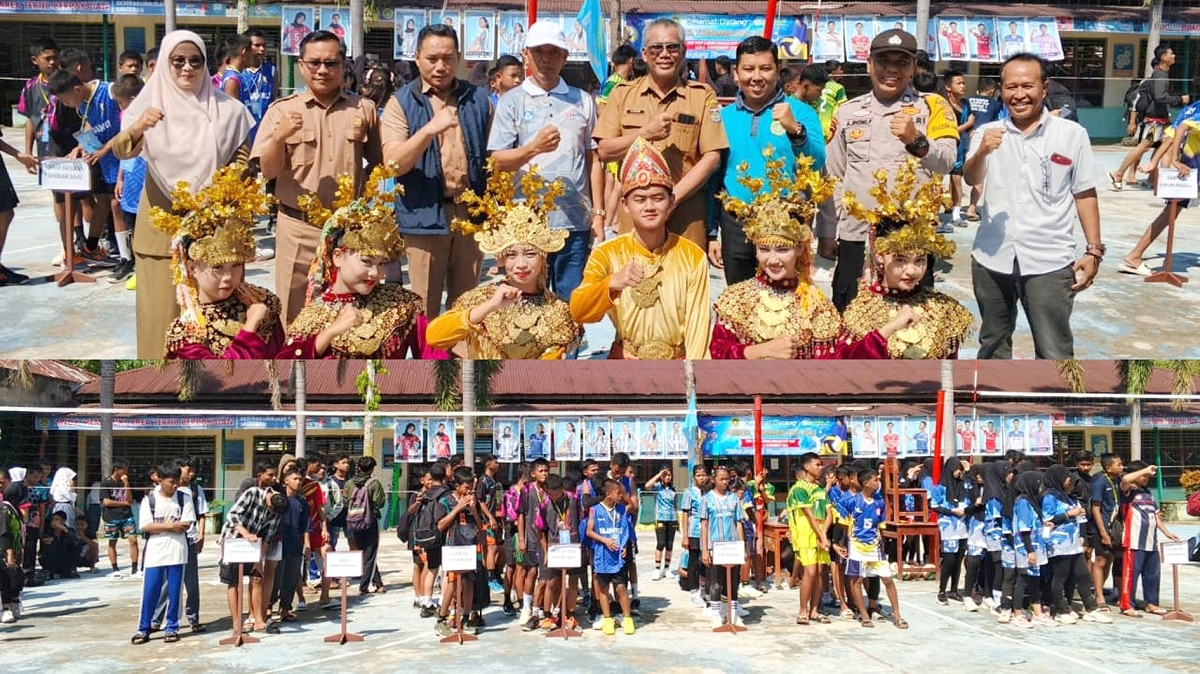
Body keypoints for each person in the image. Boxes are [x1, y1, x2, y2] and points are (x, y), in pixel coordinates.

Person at [113, 30, 254, 358]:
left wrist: (213, 197)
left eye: (195, 61)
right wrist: (138, 127)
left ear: (206, 64)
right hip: (159, 237)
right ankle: (157, 392)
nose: (187, 68)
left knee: (212, 327)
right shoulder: (147, 106)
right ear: (164, 63)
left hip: (213, 236)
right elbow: (121, 151)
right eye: (178, 61)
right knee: (159, 325)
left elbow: (242, 164)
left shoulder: (228, 111)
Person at [965, 53, 1102, 360]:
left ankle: (1051, 405)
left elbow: (1085, 193)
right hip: (991, 258)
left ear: (1044, 87)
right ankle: (994, 405)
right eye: (1011, 87)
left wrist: (1094, 251)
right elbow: (971, 177)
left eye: (1027, 85)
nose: (1019, 95)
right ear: (1001, 89)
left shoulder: (1071, 135)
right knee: (992, 345)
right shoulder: (987, 133)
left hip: (1049, 260)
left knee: (1054, 350)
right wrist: (982, 152)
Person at [815, 30, 959, 313]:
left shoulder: (933, 106)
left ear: (914, 67)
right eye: (883, 61)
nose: (892, 69)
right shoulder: (846, 112)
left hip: (911, 244)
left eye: (902, 62)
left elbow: (947, 162)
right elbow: (832, 176)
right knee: (851, 318)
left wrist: (916, 141)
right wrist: (827, 230)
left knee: (912, 328)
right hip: (857, 238)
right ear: (869, 64)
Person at [254, 30, 382, 326]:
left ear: (343, 65)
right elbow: (267, 171)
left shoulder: (364, 110)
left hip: (347, 230)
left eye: (331, 63)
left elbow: (379, 165)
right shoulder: (282, 112)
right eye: (314, 63)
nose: (322, 70)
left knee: (348, 310)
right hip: (297, 227)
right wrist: (279, 138)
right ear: (301, 65)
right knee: (292, 310)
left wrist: (365, 206)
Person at [487, 21, 604, 304]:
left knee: (571, 300)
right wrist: (532, 149)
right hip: (527, 221)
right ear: (526, 54)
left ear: (565, 56)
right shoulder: (511, 101)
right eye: (540, 51)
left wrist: (598, 214)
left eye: (554, 52)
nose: (547, 59)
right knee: (526, 301)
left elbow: (592, 159)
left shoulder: (583, 101)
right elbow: (497, 159)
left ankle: (568, 350)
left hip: (574, 221)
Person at [383, 24, 491, 320]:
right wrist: (429, 130)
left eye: (448, 58)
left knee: (467, 308)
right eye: (432, 58)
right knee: (424, 309)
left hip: (470, 216)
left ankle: (458, 367)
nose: (441, 66)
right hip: (424, 216)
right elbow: (392, 163)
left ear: (458, 57)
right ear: (416, 57)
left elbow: (492, 158)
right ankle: (424, 366)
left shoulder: (478, 99)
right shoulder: (401, 102)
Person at [594, 17, 728, 250]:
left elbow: (712, 157)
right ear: (644, 54)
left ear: (683, 52)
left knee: (685, 284)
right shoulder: (622, 94)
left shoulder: (702, 95)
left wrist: (670, 199)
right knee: (635, 283)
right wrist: (644, 134)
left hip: (685, 214)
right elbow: (605, 151)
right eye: (657, 47)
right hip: (636, 218)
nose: (664, 54)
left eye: (672, 47)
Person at [571, 138, 711, 359]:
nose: (649, 207)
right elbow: (578, 310)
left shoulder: (692, 256)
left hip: (676, 364)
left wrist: (693, 380)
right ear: (625, 205)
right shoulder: (607, 253)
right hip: (626, 362)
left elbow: (698, 325)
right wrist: (612, 284)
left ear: (671, 201)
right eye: (640, 199)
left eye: (657, 198)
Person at [427, 164, 583, 358]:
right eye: (511, 255)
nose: (521, 264)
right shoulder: (479, 298)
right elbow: (434, 337)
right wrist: (490, 306)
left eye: (530, 254)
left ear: (543, 256)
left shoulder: (558, 310)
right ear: (500, 259)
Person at [282, 166, 434, 358]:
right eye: (366, 261)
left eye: (382, 264)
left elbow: (434, 358)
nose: (375, 273)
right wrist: (330, 333)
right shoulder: (314, 315)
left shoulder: (403, 303)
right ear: (338, 257)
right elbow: (284, 367)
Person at [712, 37, 825, 286]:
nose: (757, 76)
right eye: (749, 69)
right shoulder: (724, 117)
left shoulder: (801, 112)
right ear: (736, 73)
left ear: (777, 70)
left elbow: (816, 161)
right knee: (740, 299)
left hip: (785, 221)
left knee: (784, 302)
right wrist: (712, 232)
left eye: (765, 68)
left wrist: (796, 130)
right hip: (736, 222)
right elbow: (714, 178)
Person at [710, 149, 840, 359]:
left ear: (799, 248)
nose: (772, 260)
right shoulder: (736, 298)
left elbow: (829, 365)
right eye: (764, 249)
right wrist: (758, 352)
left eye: (782, 249)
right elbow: (718, 353)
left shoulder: (817, 305)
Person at [839, 160, 972, 358]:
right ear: (879, 255)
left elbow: (949, 372)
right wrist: (888, 329)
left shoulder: (944, 309)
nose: (911, 271)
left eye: (920, 260)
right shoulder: (859, 311)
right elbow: (847, 367)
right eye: (900, 260)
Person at [151, 165, 284, 358]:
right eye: (218, 267)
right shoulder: (187, 331)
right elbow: (219, 380)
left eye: (236, 265)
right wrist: (250, 327)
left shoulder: (263, 302)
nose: (228, 277)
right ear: (192, 267)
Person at [1120, 83, 1200, 276]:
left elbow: (1169, 137)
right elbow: (1180, 130)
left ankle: (1135, 256)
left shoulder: (1191, 108)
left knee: (1169, 214)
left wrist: (1153, 163)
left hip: (1188, 168)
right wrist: (1172, 160)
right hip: (1190, 169)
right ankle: (1134, 256)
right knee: (1169, 214)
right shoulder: (1195, 111)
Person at [48, 69, 123, 266]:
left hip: (125, 159)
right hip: (107, 163)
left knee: (121, 207)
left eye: (65, 100)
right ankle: (93, 248)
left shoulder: (110, 91)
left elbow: (130, 124)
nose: (65, 105)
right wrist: (80, 147)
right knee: (110, 203)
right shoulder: (82, 106)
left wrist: (105, 149)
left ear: (77, 88)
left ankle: (129, 257)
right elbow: (90, 128)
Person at [832, 468, 907, 629]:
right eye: (875, 479)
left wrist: (882, 541)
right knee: (857, 579)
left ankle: (897, 615)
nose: (878, 482)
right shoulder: (851, 501)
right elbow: (840, 522)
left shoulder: (879, 502)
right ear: (866, 483)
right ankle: (864, 614)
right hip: (857, 546)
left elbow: (881, 525)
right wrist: (838, 543)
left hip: (875, 546)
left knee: (887, 579)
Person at [132, 463, 196, 645]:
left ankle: (172, 627)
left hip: (177, 550)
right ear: (160, 480)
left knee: (175, 591)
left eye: (177, 481)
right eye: (170, 482)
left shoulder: (184, 498)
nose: (174, 485)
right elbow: (145, 525)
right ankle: (144, 629)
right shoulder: (149, 500)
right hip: (155, 551)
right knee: (150, 590)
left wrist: (162, 527)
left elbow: (186, 523)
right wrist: (170, 526)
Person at [219, 461, 284, 636]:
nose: (270, 511)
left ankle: (259, 620)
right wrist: (245, 533)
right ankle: (236, 624)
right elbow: (232, 515)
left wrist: (259, 559)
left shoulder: (278, 510)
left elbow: (269, 537)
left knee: (257, 578)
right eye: (269, 507)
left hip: (253, 546)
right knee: (233, 582)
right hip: (233, 540)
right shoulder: (252, 493)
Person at [1041, 464, 1111, 624]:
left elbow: (1080, 518)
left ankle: (1091, 609)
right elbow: (1047, 519)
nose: (1069, 481)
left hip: (1073, 543)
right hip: (1058, 543)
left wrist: (1082, 536)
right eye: (1067, 478)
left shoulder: (1068, 495)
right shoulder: (1049, 497)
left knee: (1083, 575)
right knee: (1060, 577)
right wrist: (1068, 514)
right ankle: (1060, 609)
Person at [1118, 461, 1180, 617]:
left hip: (1151, 542)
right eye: (1143, 475)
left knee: (1152, 575)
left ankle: (1151, 603)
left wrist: (1166, 532)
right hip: (1133, 542)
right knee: (1131, 575)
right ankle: (1127, 605)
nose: (1146, 478)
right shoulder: (1128, 492)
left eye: (1147, 476)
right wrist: (1145, 469)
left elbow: (1156, 516)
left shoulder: (1148, 493)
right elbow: (1125, 480)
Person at [431, 466, 486, 636]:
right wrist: (458, 508)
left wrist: (474, 509)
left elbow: (479, 525)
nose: (469, 491)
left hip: (470, 545)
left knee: (469, 582)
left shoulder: (472, 500)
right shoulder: (445, 502)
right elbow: (440, 525)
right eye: (466, 487)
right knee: (454, 583)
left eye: (471, 488)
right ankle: (441, 618)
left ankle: (467, 617)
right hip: (453, 546)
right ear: (457, 486)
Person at [587, 478, 635, 635]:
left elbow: (625, 530)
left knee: (621, 587)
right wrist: (605, 541)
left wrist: (624, 546)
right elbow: (589, 531)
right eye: (618, 493)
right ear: (608, 494)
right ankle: (607, 619)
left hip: (618, 557)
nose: (620, 496)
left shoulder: (621, 510)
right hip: (602, 556)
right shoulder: (595, 510)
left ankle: (627, 619)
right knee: (603, 589)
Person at [786, 453, 829, 625]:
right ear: (806, 467)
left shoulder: (819, 489)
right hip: (805, 535)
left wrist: (824, 534)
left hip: (819, 534)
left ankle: (814, 610)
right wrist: (821, 535)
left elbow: (826, 513)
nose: (820, 468)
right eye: (817, 465)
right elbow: (809, 515)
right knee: (810, 572)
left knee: (819, 573)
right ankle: (802, 610)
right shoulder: (799, 489)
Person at [700, 466, 745, 628]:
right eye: (721, 479)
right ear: (714, 480)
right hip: (715, 546)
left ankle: (732, 614)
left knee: (733, 581)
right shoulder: (707, 499)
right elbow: (704, 525)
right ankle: (716, 614)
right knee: (716, 582)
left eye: (727, 479)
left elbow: (738, 523)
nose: (725, 482)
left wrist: (742, 546)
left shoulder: (734, 499)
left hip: (732, 546)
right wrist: (705, 549)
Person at [344, 456, 386, 595]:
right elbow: (379, 502)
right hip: (369, 521)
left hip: (353, 522)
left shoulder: (349, 483)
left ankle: (378, 583)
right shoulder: (374, 483)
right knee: (370, 554)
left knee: (363, 553)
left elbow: (345, 501)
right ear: (372, 468)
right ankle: (364, 586)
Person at [929, 456, 969, 604]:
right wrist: (952, 511)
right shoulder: (940, 487)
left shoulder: (963, 485)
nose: (959, 472)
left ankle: (954, 590)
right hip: (949, 526)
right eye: (958, 469)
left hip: (962, 526)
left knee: (958, 559)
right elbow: (934, 505)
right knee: (949, 559)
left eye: (961, 470)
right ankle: (941, 590)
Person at [963, 78, 1002, 222]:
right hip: (980, 141)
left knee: (955, 174)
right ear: (992, 92)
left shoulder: (967, 100)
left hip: (964, 137)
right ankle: (972, 208)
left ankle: (951, 205)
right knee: (978, 175)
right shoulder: (996, 105)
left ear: (978, 90)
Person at [99, 462, 139, 578]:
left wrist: (126, 483)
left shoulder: (125, 482)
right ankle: (115, 568)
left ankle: (134, 568)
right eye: (124, 469)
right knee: (112, 541)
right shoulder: (106, 483)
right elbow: (106, 502)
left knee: (133, 540)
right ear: (116, 469)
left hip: (126, 515)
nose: (126, 472)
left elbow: (130, 500)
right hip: (111, 516)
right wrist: (123, 503)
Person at [242, 29, 276, 146]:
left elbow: (273, 100)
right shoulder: (238, 72)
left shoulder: (271, 71)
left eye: (264, 46)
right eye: (257, 45)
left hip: (264, 129)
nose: (262, 49)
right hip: (244, 130)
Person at [643, 467, 677, 581]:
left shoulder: (673, 488)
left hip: (672, 519)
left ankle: (666, 568)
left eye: (669, 475)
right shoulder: (657, 487)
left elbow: (675, 505)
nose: (668, 477)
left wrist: (678, 520)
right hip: (660, 518)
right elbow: (647, 485)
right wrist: (659, 474)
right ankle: (657, 568)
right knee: (660, 543)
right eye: (665, 475)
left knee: (669, 544)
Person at [0, 482, 26, 623]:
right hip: (5, 551)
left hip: (15, 550)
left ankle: (15, 601)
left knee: (17, 579)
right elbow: (4, 533)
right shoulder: (5, 510)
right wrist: (9, 553)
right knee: (8, 580)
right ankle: (6, 609)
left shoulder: (14, 509)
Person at [817, 60, 847, 142]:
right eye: (840, 69)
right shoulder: (838, 88)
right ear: (834, 72)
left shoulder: (817, 85)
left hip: (816, 124)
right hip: (829, 126)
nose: (842, 72)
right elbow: (843, 107)